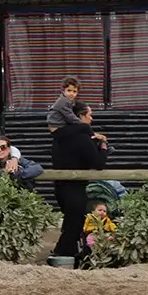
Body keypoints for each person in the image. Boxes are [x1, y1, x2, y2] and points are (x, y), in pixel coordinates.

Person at [51, 101, 108, 260]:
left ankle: (63, 254)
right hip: (75, 187)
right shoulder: (82, 137)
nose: (91, 119)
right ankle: (64, 254)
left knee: (70, 222)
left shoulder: (60, 136)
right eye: (89, 115)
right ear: (80, 116)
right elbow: (97, 163)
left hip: (60, 186)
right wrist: (103, 145)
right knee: (75, 223)